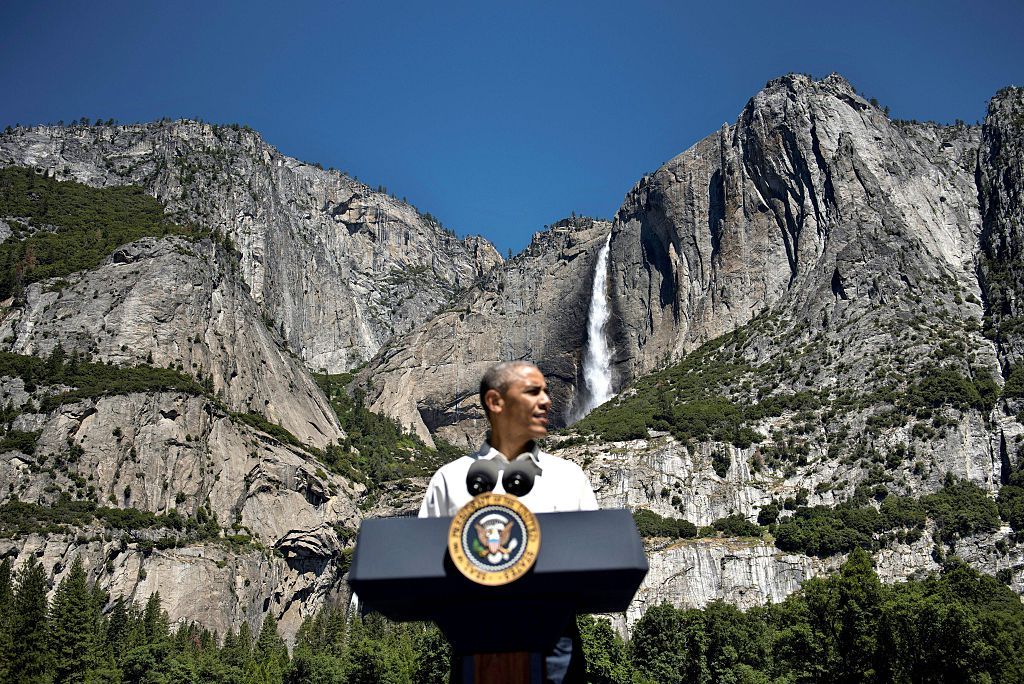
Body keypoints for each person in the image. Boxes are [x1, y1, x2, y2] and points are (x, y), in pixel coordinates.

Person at [418, 360, 598, 683]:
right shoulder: (449, 479)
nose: (546, 400)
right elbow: (421, 571)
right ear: (495, 402)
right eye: (533, 391)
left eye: (546, 391)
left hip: (559, 658)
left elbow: (599, 560)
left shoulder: (570, 477)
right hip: (475, 655)